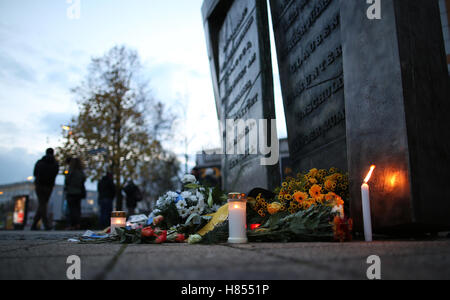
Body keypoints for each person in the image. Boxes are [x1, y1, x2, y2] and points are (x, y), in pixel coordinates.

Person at [32, 148, 59, 231]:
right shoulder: (55, 163)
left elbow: (35, 173)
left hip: (39, 185)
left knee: (42, 204)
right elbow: (55, 174)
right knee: (43, 204)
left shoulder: (40, 162)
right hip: (49, 186)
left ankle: (38, 224)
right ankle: (41, 224)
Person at [64, 157, 86, 230]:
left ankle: (71, 225)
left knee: (71, 209)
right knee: (77, 209)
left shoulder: (71, 171)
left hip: (71, 192)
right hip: (78, 192)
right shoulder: (81, 172)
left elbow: (67, 181)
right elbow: (83, 181)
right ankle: (77, 224)